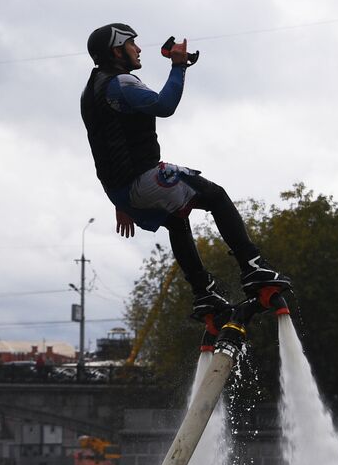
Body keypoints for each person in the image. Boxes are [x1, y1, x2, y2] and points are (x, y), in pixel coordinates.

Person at [80, 23, 290, 319]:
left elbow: (101, 146)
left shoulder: (90, 91)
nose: (139, 50)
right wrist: (178, 66)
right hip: (140, 179)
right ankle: (253, 266)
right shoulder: (121, 83)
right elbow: (164, 106)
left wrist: (120, 200)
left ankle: (204, 292)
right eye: (132, 45)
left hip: (120, 189)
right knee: (215, 196)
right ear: (117, 51)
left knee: (177, 222)